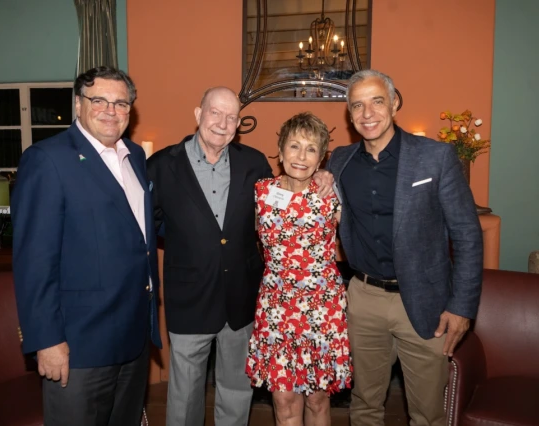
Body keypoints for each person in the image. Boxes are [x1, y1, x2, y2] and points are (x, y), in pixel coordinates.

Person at [146, 87, 333, 426]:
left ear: (238, 125)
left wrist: (323, 174)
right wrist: (191, 245)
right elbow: (151, 225)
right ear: (198, 114)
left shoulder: (253, 163)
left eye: (231, 117)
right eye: (215, 113)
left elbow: (286, 195)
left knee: (236, 389)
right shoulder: (161, 165)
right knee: (184, 394)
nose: (222, 123)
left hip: (242, 298)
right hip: (190, 297)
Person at [328, 69, 483, 426]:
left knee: (428, 414)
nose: (367, 114)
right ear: (349, 115)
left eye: (377, 101)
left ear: (395, 103)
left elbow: (467, 235)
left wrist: (462, 307)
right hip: (363, 298)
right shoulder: (340, 161)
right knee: (364, 406)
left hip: (427, 301)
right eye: (357, 106)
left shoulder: (435, 157)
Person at [12, 66, 162, 426]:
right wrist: (46, 341)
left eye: (120, 103)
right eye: (99, 100)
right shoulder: (48, 160)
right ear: (78, 104)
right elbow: (34, 262)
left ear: (131, 110)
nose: (111, 110)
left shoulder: (136, 158)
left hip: (133, 340)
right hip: (79, 347)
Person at [246, 112, 352, 426]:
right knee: (284, 400)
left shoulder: (330, 195)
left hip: (322, 308)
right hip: (277, 308)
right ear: (280, 151)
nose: (301, 156)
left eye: (311, 149)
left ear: (321, 158)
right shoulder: (261, 192)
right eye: (294, 146)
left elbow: (361, 240)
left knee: (318, 401)